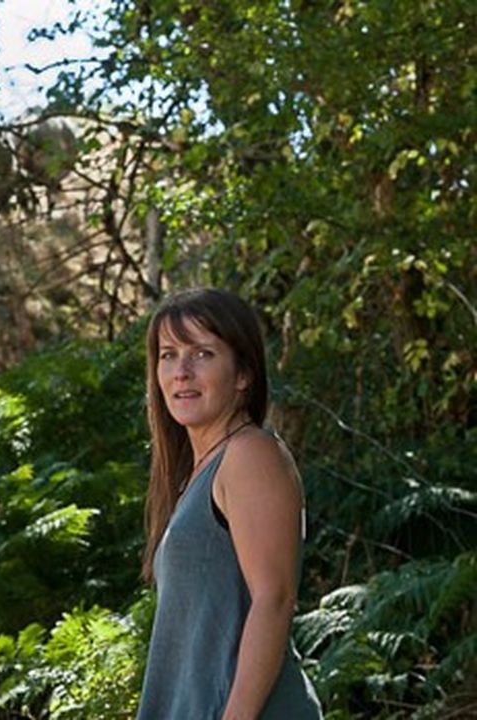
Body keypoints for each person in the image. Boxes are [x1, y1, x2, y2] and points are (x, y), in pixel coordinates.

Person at [136, 288, 322, 719]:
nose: (181, 371)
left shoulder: (250, 454)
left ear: (243, 374)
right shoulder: (197, 473)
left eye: (202, 354)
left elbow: (273, 598)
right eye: (168, 354)